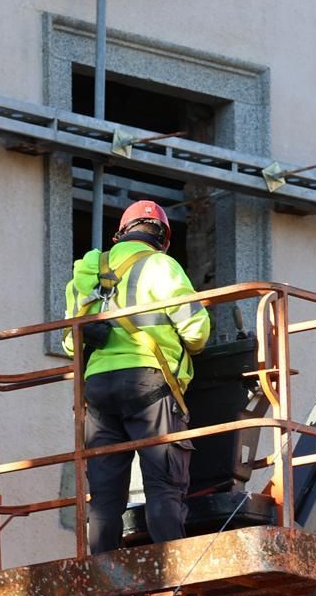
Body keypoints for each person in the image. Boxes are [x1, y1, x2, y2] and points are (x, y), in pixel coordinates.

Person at [63, 200, 211, 554]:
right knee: (163, 483)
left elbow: (70, 343)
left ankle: (101, 572)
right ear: (163, 238)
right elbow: (197, 332)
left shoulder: (84, 273)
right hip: (149, 383)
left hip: (96, 388)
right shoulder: (162, 266)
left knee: (104, 494)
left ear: (121, 234)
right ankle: (171, 566)